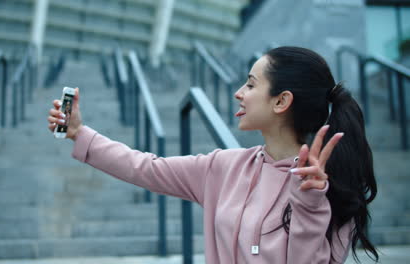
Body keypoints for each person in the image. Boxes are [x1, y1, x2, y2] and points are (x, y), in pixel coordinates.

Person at [47, 47, 378, 263]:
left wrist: (310, 204)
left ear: (281, 101)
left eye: (250, 85)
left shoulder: (330, 188)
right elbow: (144, 167)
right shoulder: (223, 167)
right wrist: (79, 132)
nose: (238, 93)